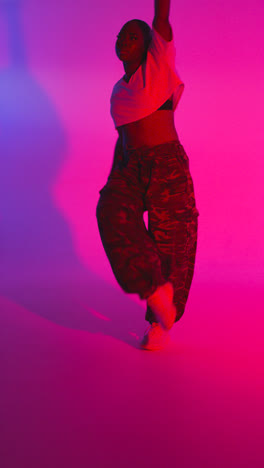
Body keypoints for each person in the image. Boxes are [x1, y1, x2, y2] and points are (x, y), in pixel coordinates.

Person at [96, 0, 199, 350]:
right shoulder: (118, 91)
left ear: (149, 44)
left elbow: (161, 15)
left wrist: (159, 15)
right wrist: (115, 178)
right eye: (121, 35)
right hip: (128, 163)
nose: (125, 39)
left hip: (165, 165)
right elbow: (122, 137)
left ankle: (160, 323)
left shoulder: (159, 64)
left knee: (173, 242)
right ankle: (153, 288)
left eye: (134, 35)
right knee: (111, 213)